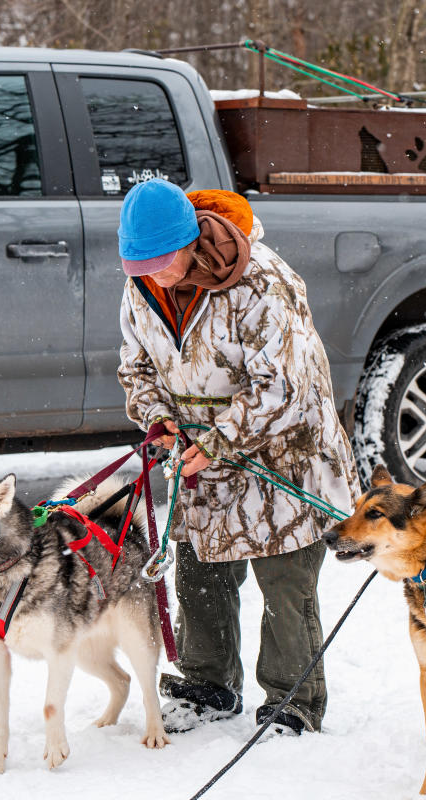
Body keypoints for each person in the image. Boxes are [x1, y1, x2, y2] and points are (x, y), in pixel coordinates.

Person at [115, 179, 359, 735]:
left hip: (280, 448)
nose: (151, 276)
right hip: (198, 453)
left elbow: (284, 386)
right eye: (138, 267)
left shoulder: (263, 281)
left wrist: (219, 441)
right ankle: (206, 684)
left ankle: (292, 701)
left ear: (190, 241)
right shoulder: (141, 287)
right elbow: (136, 365)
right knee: (201, 571)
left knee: (284, 577)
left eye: (160, 262)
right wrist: (157, 417)